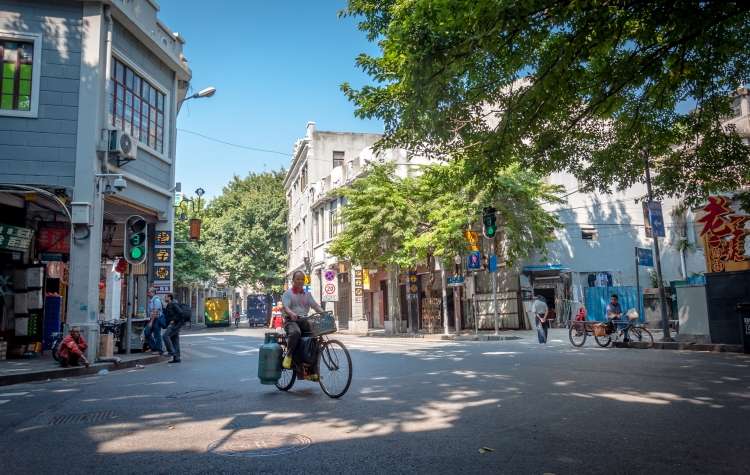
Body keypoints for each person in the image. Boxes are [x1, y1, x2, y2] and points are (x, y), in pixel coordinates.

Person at [281, 270, 324, 370]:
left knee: (315, 336)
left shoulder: (307, 295)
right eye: (298, 279)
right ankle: (289, 355)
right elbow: (286, 307)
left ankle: (312, 369)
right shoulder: (287, 294)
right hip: (290, 321)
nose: (300, 281)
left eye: (302, 279)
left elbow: (315, 306)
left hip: (304, 320)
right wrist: (291, 313)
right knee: (295, 333)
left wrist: (324, 313)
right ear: (293, 280)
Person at [162, 293, 184, 363]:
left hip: (174, 324)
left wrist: (173, 320)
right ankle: (177, 358)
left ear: (169, 297)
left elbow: (180, 313)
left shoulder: (173, 304)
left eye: (165, 297)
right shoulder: (169, 305)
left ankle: (171, 352)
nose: (164, 298)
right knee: (175, 340)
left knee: (165, 336)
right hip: (175, 324)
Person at [144, 286, 164, 355]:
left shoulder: (156, 300)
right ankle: (154, 348)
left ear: (153, 292)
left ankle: (159, 350)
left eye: (149, 292)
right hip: (153, 319)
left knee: (157, 334)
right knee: (147, 332)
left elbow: (155, 312)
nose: (147, 294)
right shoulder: (151, 300)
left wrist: (151, 322)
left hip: (156, 319)